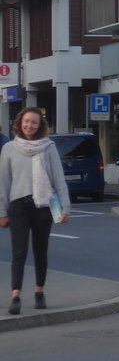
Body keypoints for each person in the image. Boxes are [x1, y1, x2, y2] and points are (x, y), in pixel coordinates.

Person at [0, 107, 70, 315]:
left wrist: (65, 207)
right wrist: (2, 211)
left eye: (34, 123)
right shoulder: (9, 148)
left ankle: (39, 291)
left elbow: (59, 179)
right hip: (18, 205)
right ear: (20, 122)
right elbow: (3, 182)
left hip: (43, 205)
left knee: (40, 250)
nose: (30, 125)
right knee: (19, 251)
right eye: (26, 121)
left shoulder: (49, 148)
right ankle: (16, 296)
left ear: (40, 126)